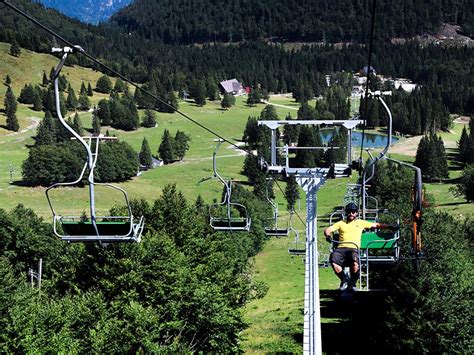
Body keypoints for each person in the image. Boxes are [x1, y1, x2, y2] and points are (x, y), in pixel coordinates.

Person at [324, 202, 394, 292]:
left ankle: (353, 282)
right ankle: (344, 280)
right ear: (346, 213)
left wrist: (389, 226)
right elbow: (328, 229)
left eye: (353, 212)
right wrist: (328, 235)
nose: (351, 214)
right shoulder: (341, 223)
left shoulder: (360, 223)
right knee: (333, 259)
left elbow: (376, 225)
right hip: (341, 248)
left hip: (353, 249)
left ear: (356, 213)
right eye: (349, 212)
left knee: (355, 261)